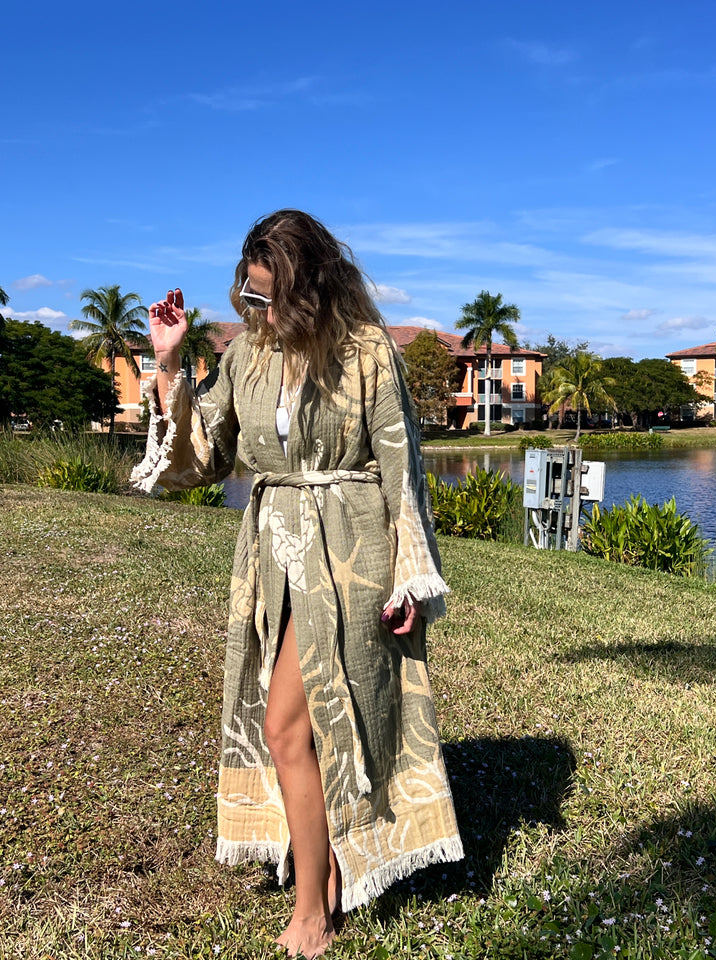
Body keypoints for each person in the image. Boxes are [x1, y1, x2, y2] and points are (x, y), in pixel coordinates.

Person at [131, 209, 463, 958]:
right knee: (297, 726)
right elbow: (203, 459)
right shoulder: (246, 356)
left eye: (272, 298)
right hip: (273, 554)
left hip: (350, 556)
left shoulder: (370, 352)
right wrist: (169, 364)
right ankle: (327, 869)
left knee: (294, 724)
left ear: (311, 288)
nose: (261, 312)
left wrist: (410, 577)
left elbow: (402, 469)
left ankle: (314, 904)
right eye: (250, 298)